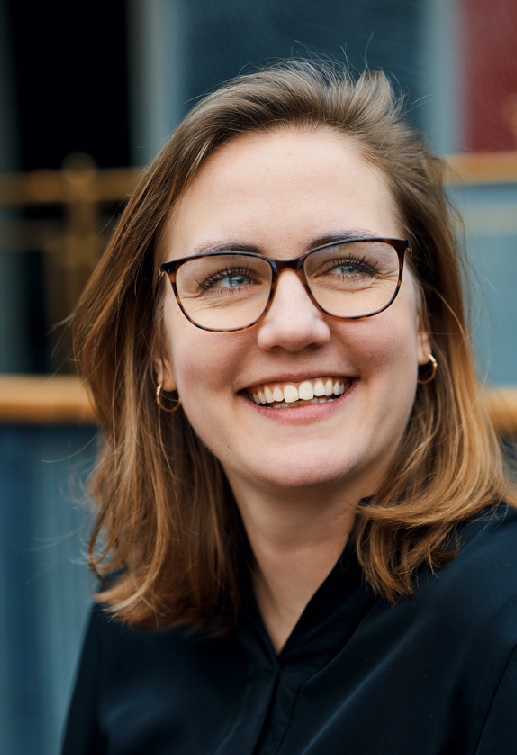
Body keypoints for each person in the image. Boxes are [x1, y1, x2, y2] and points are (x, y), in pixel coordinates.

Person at [61, 60, 517, 754]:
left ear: (425, 321)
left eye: (349, 265)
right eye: (228, 277)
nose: (292, 326)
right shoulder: (134, 620)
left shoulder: (502, 632)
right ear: (159, 353)